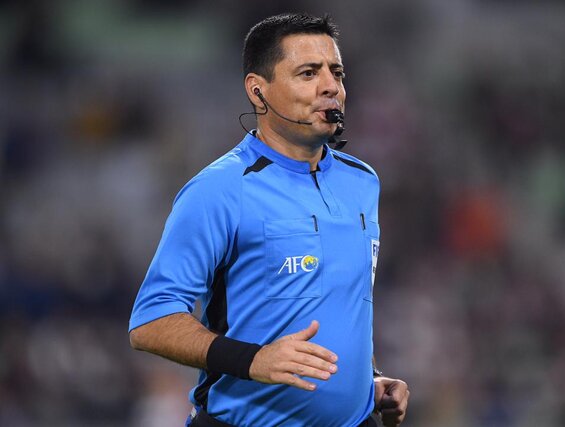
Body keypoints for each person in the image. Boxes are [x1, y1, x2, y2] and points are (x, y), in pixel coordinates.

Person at [128, 12, 409, 427]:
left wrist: (368, 379)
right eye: (308, 73)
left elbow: (342, 304)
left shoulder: (362, 182)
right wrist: (253, 359)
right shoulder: (218, 190)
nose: (331, 86)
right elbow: (151, 321)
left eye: (336, 72)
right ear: (258, 91)